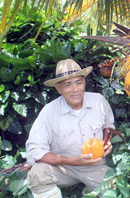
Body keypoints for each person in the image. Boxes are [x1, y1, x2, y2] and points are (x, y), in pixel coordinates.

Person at [26, 59, 115, 198]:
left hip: (96, 167)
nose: (75, 89)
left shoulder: (99, 101)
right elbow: (35, 152)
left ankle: (90, 191)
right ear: (58, 88)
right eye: (67, 84)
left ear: (84, 82)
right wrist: (71, 161)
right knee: (37, 174)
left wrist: (106, 141)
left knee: (117, 189)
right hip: (63, 168)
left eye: (78, 82)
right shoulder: (49, 111)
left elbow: (108, 126)